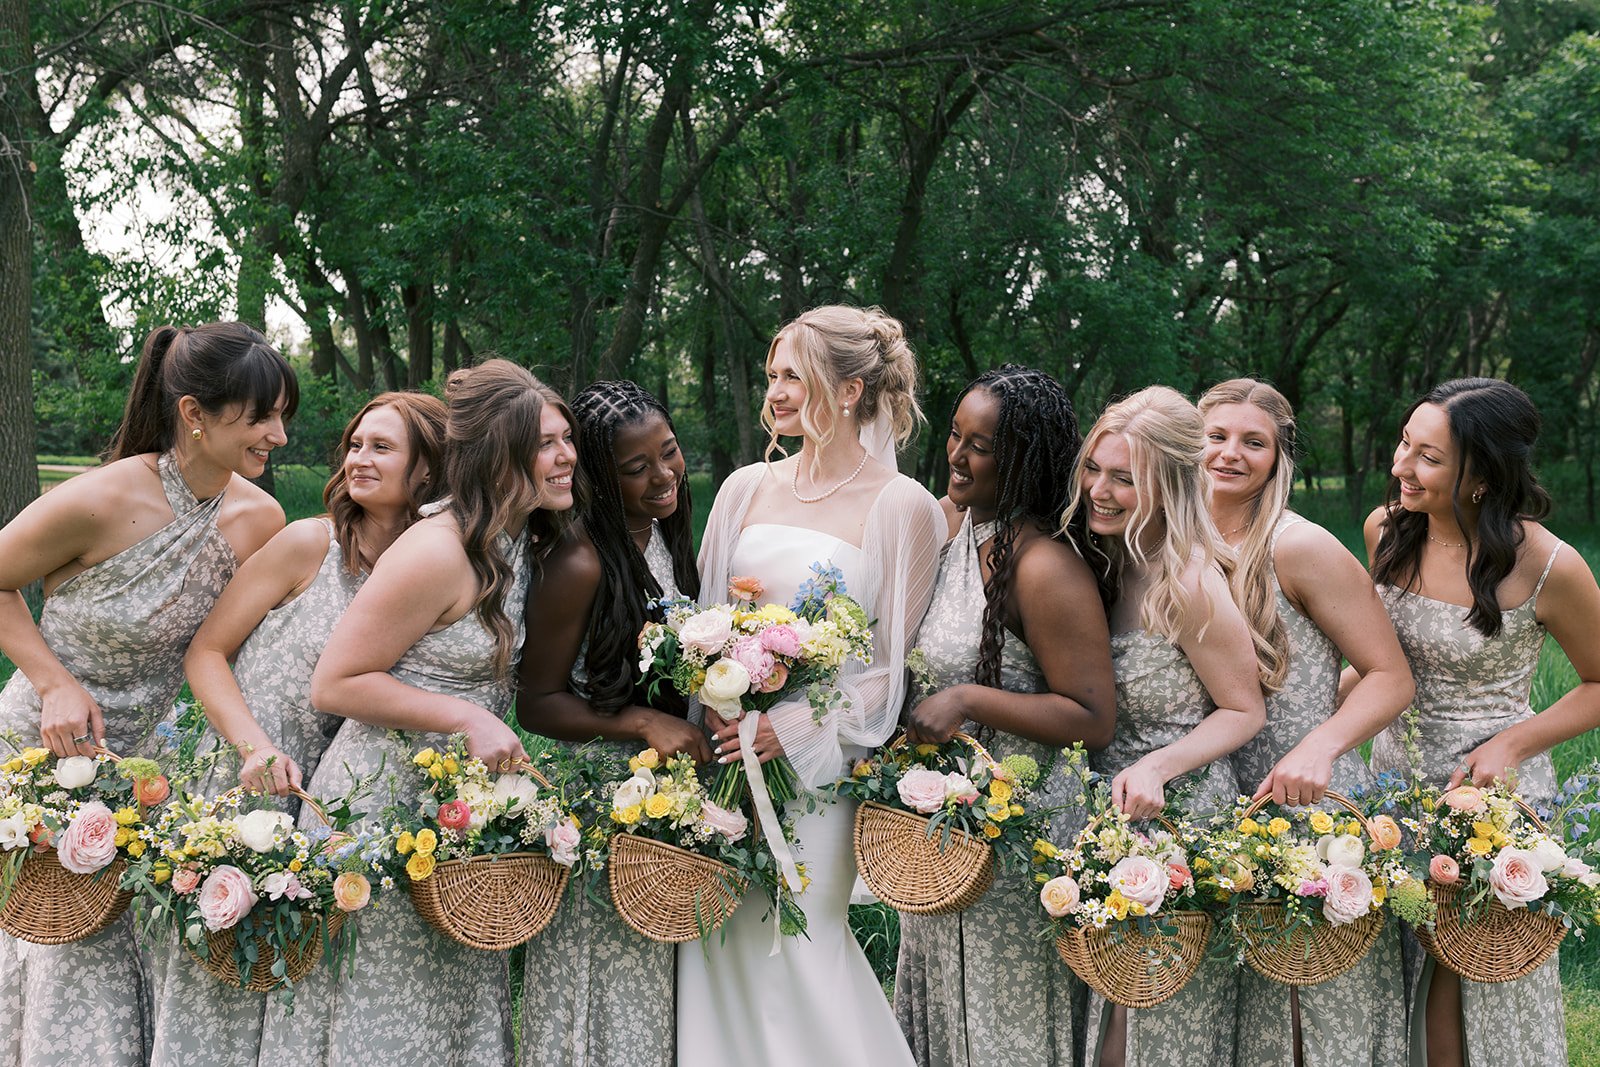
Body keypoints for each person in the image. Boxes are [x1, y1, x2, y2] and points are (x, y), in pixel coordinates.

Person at [257, 359, 576, 1066]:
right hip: (376, 808)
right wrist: (465, 716)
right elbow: (335, 684)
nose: (567, 454)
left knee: (448, 1011)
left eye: (567, 438)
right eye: (548, 442)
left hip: (450, 814)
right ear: (502, 455)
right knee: (383, 1018)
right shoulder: (435, 550)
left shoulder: (516, 539)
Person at [0, 322, 295, 1067]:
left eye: (281, 414)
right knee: (55, 958)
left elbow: (235, 650)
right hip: (42, 749)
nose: (279, 436)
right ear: (194, 413)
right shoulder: (101, 499)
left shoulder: (261, 521)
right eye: (260, 417)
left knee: (125, 968)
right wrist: (53, 681)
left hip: (150, 775)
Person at [678, 305, 944, 1067]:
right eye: (772, 376)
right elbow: (704, 621)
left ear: (852, 389)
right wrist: (723, 721)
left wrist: (788, 729)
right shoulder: (742, 488)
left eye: (793, 375)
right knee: (719, 948)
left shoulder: (904, 507)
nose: (776, 393)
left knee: (802, 948)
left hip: (820, 776)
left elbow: (895, 665)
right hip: (726, 761)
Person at [148, 391, 446, 1067]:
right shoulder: (310, 542)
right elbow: (206, 652)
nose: (358, 458)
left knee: (291, 987)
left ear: (428, 468)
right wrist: (252, 745)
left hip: (324, 795)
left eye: (382, 447)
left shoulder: (429, 570)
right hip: (245, 770)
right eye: (356, 443)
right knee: (220, 982)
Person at [1364, 378, 1600, 1067]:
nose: (1402, 466)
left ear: (1482, 475)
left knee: (1464, 977)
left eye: (1428, 457)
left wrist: (1513, 741)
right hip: (1393, 785)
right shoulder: (1387, 529)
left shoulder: (1549, 564)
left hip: (1492, 795)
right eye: (1406, 443)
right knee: (1392, 967)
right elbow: (1379, 663)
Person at [892, 365, 1115, 1067]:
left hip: (1023, 844)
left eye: (980, 445)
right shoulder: (961, 529)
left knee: (1002, 1027)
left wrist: (967, 700)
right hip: (948, 836)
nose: (957, 455)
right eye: (955, 435)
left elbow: (1092, 715)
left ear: (1023, 459)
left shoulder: (1044, 565)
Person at [1197, 378, 1412, 1067]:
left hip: (1302, 805)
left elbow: (1391, 675)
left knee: (1305, 1017)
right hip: (1208, 801)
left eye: (1252, 441)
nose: (1231, 453)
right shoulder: (1169, 538)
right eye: (1217, 435)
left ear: (1278, 455)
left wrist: (1319, 745)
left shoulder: (1300, 546)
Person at [1061, 385, 1267, 1067]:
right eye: (1095, 468)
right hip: (1111, 817)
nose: (1100, 489)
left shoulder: (1188, 582)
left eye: (1125, 478)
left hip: (1179, 819)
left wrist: (1157, 766)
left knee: (1150, 1034)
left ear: (1171, 486)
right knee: (1106, 1019)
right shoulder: (1105, 559)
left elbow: (1245, 709)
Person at [517, 379, 706, 1067]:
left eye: (669, 452)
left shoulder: (664, 534)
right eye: (636, 467)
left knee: (654, 990)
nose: (663, 475)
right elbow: (535, 700)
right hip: (601, 798)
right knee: (602, 985)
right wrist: (638, 724)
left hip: (663, 795)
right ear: (601, 474)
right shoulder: (580, 559)